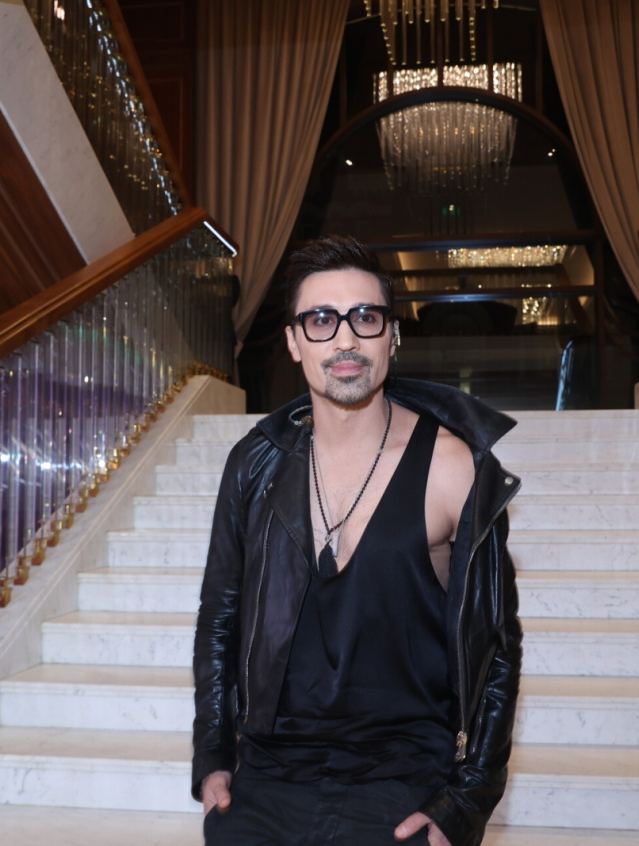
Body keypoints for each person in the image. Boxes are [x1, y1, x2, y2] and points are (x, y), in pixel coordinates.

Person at [192, 235, 522, 846]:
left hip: (404, 777)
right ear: (293, 341)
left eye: (365, 317)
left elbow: (499, 646)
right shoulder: (254, 465)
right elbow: (221, 614)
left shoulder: (454, 468)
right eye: (321, 320)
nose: (345, 340)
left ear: (391, 336)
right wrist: (213, 752)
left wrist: (467, 799)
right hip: (270, 771)